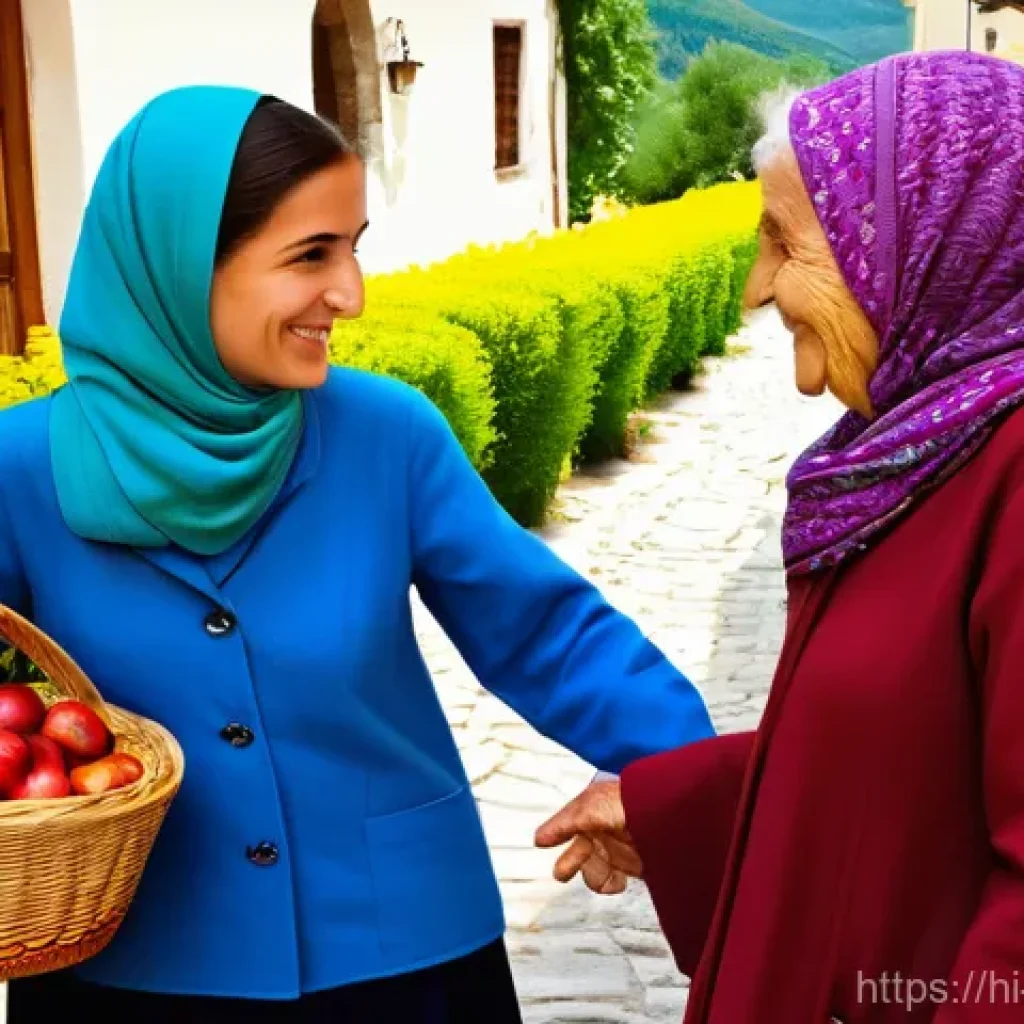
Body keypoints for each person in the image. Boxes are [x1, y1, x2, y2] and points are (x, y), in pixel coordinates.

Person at [1, 86, 716, 1022]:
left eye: (353, 245)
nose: (351, 294)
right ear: (178, 268)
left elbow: (548, 633)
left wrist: (689, 780)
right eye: (310, 255)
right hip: (125, 962)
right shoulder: (20, 471)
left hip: (404, 959)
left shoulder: (386, 434)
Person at [535, 51, 1024, 1023]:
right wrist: (677, 806)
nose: (756, 288)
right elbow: (902, 768)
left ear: (925, 246)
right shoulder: (909, 454)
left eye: (785, 242)